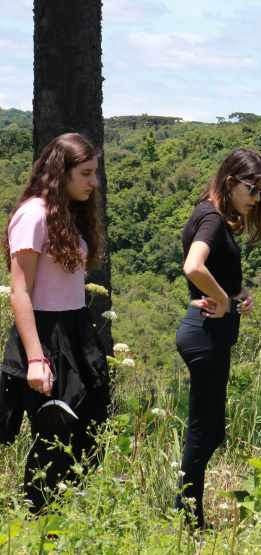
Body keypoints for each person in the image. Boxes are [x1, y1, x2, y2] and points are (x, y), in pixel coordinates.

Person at [0, 133, 110, 513]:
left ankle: (67, 520)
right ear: (59, 173)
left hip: (76, 326)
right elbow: (20, 291)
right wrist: (35, 359)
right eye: (86, 173)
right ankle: (38, 523)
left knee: (90, 429)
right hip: (45, 335)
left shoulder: (69, 213)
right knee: (54, 439)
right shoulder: (33, 214)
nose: (94, 182)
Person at [174, 147, 261, 529]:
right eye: (252, 188)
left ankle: (188, 511)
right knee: (203, 430)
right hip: (205, 334)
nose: (257, 198)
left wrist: (237, 293)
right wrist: (223, 301)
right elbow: (193, 267)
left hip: (209, 333)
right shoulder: (213, 220)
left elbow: (214, 271)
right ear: (231, 183)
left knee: (213, 430)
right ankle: (188, 520)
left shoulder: (210, 215)